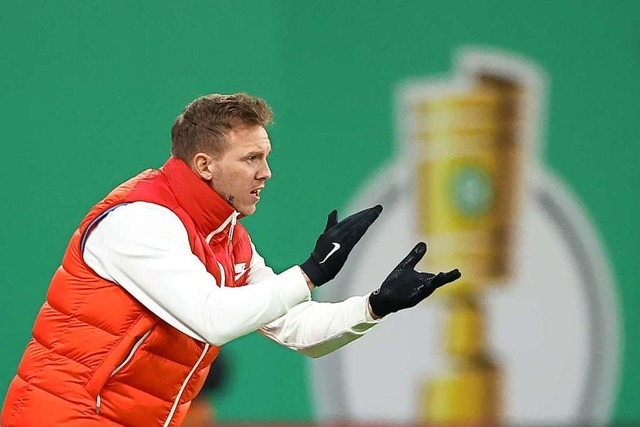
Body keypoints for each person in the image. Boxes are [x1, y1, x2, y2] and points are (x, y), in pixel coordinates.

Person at [1, 93, 460, 426]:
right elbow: (212, 319)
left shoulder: (229, 239)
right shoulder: (140, 221)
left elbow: (299, 331)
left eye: (266, 156)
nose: (266, 172)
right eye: (251, 159)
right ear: (204, 165)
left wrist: (375, 306)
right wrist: (311, 272)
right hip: (62, 415)